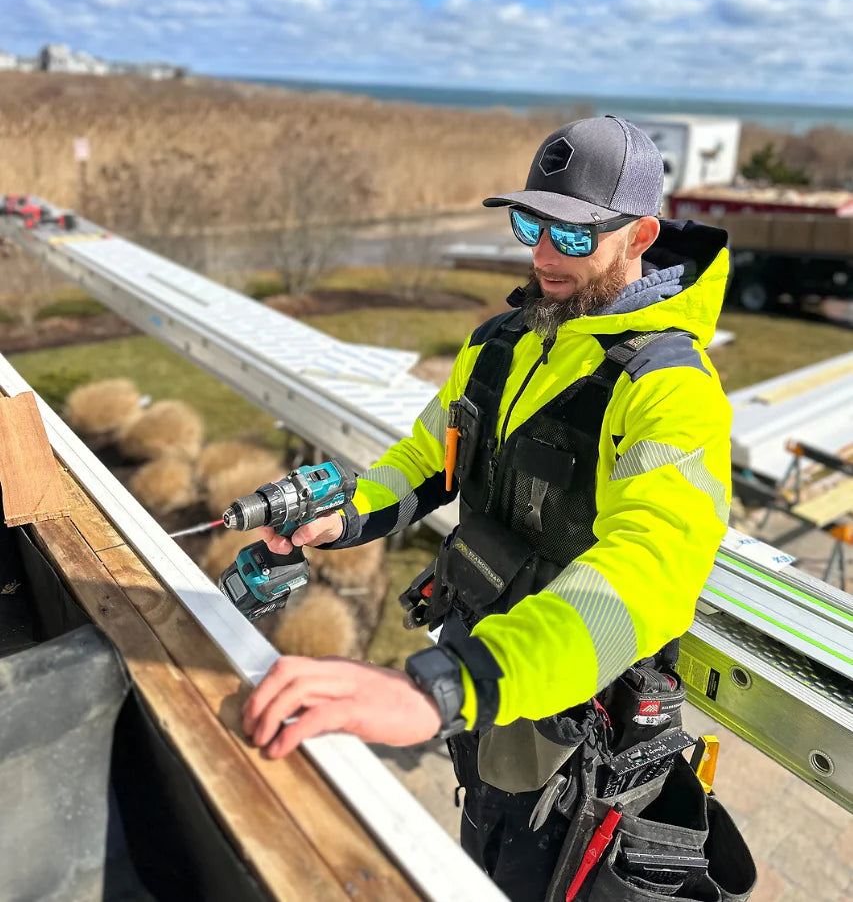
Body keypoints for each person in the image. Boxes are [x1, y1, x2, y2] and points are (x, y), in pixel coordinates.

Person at [242, 116, 734, 900]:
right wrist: (344, 515)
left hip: (569, 720)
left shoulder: (670, 389)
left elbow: (649, 569)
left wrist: (442, 686)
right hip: (482, 674)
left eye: (572, 236)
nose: (541, 254)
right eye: (529, 223)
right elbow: (427, 458)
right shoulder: (501, 340)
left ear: (639, 233)